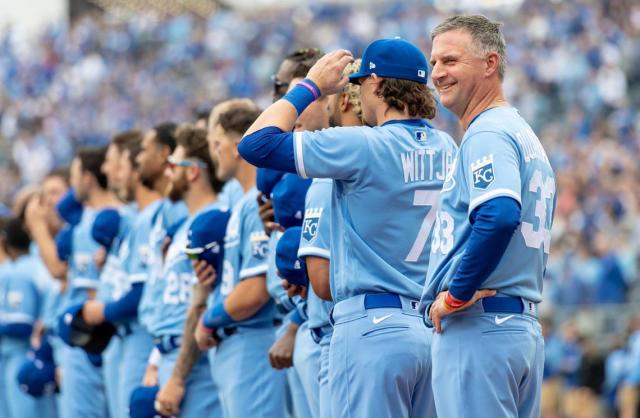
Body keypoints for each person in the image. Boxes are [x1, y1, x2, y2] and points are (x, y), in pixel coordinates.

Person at [238, 37, 456, 418]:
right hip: (432, 330)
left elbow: (255, 144)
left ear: (375, 84)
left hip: (373, 327)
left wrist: (311, 87)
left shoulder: (364, 145)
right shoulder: (446, 147)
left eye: (359, 85)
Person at [421, 15, 557, 418]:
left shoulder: (488, 132)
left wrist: (457, 294)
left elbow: (498, 215)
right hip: (514, 327)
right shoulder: (519, 131)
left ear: (490, 63)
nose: (437, 73)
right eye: (434, 62)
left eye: (450, 61)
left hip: (480, 328)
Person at [195, 99, 286, 418]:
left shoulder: (255, 203)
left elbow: (256, 290)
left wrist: (207, 320)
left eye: (216, 143)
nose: (212, 152)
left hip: (252, 339)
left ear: (236, 147)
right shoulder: (241, 202)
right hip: (235, 342)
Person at [150, 125, 225, 418]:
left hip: (195, 364)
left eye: (172, 165)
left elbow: (200, 302)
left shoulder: (211, 223)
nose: (167, 172)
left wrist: (178, 377)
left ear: (192, 171)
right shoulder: (184, 225)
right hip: (171, 355)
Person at [59, 146, 120, 418]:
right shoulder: (120, 213)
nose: (71, 187)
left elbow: (91, 292)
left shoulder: (91, 226)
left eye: (74, 177)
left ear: (87, 177)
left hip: (90, 335)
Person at [0, 217, 57, 418]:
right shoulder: (32, 265)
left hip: (25, 353)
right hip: (24, 353)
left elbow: (21, 324)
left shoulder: (20, 270)